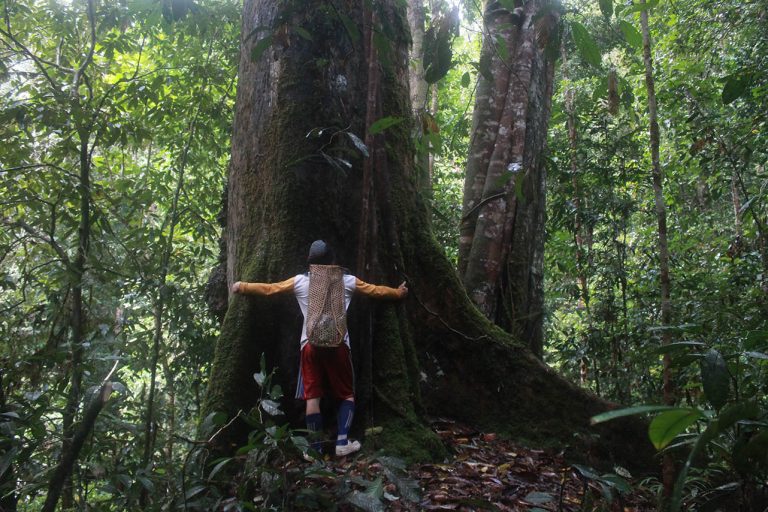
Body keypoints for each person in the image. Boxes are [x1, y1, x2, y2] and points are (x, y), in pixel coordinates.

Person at [230, 240, 408, 457]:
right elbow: (375, 291)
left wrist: (242, 286)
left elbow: (270, 289)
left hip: (310, 346)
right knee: (346, 395)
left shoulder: (300, 282)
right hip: (339, 345)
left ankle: (314, 448)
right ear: (333, 260)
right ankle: (342, 442)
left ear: (310, 262)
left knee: (312, 397)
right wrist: (398, 294)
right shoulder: (348, 281)